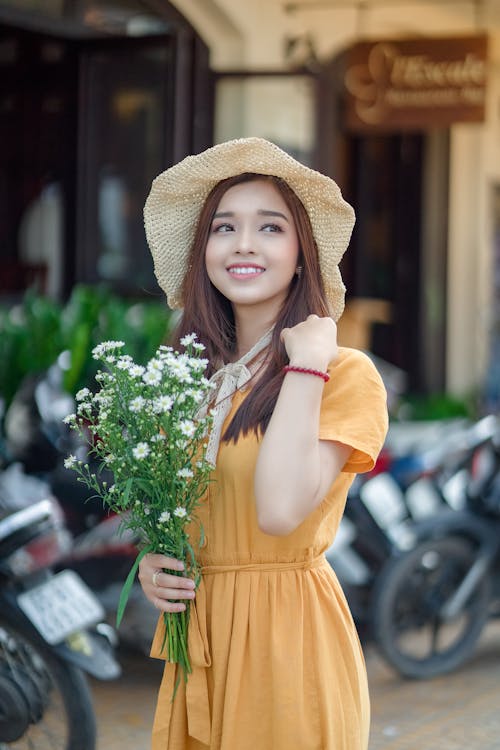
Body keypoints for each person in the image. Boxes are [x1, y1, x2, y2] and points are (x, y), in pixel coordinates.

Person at [138, 137, 388, 750]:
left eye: (270, 227)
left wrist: (306, 367)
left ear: (303, 254)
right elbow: (187, 514)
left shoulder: (344, 375)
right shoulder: (182, 380)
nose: (244, 243)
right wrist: (153, 566)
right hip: (200, 645)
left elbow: (278, 512)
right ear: (205, 254)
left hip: (288, 642)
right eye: (225, 228)